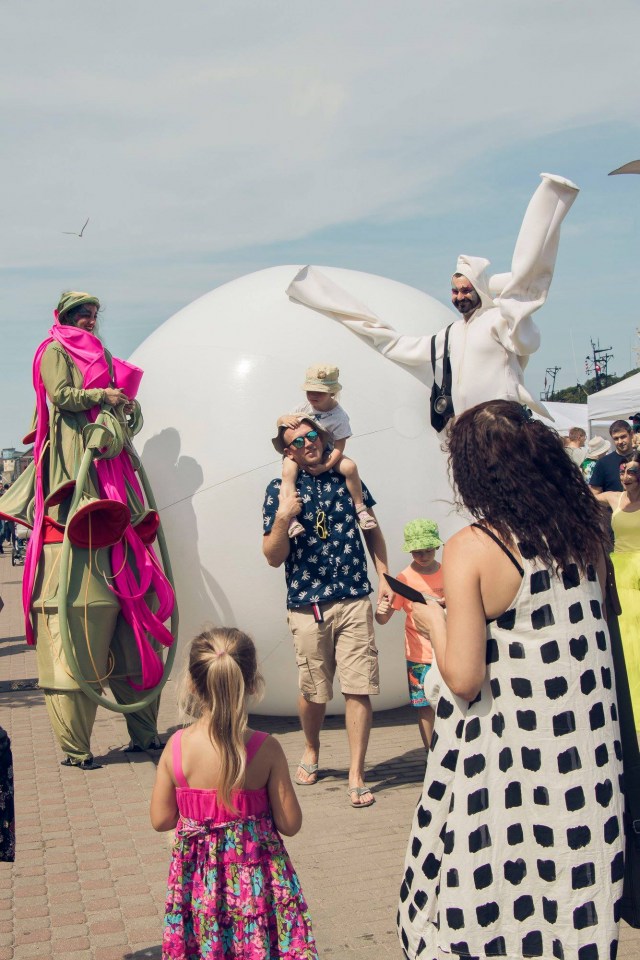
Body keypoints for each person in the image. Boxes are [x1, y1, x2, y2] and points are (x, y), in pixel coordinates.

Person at [397, 400, 623, 960]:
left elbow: (465, 677)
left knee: (499, 907)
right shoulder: (588, 526)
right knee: (578, 904)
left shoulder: (474, 547)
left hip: (513, 764)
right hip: (589, 760)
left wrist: (432, 618)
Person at [0, 291, 175, 769]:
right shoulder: (54, 350)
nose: (90, 321)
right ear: (65, 318)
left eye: (94, 316)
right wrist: (103, 397)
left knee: (134, 641)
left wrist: (124, 410)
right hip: (74, 460)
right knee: (71, 649)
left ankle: (144, 735)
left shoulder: (101, 355)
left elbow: (116, 399)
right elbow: (62, 397)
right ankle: (76, 748)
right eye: (83, 315)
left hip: (109, 471)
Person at [286, 173, 579, 421]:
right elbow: (397, 344)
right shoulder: (450, 335)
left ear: (479, 291)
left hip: (502, 422)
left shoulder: (497, 320)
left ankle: (553, 196)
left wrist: (515, 311)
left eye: (466, 290)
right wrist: (336, 307)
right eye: (455, 291)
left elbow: (528, 341)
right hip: (469, 425)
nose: (460, 296)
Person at [150, 627, 318, 960]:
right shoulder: (265, 749)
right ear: (252, 684)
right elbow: (291, 823)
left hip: (200, 888)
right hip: (257, 888)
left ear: (193, 685)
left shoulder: (177, 747)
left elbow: (160, 819)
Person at [263, 415, 389, 808]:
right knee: (314, 691)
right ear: (288, 453)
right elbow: (272, 556)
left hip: (353, 595)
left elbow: (371, 528)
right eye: (297, 442)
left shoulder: (345, 477)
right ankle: (312, 747)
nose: (308, 444)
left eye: (311, 435)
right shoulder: (278, 489)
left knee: (359, 686)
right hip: (308, 602)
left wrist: (385, 578)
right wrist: (285, 515)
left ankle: (356, 773)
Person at [277, 363, 376, 537]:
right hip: (300, 451)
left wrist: (326, 465)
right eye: (310, 391)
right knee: (287, 472)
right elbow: (284, 427)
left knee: (350, 468)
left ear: (332, 392)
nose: (313, 396)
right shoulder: (303, 408)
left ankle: (360, 508)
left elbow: (339, 446)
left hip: (326, 452)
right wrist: (282, 419)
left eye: (319, 392)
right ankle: (291, 519)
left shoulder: (339, 416)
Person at [375, 518, 444, 749]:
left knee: (452, 703)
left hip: (448, 649)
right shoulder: (403, 579)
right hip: (419, 655)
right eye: (416, 552)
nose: (422, 556)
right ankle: (430, 753)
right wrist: (380, 610)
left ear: (436, 547)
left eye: (427, 551)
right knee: (424, 707)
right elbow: (383, 619)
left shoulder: (450, 573)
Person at [594, 456, 640, 727]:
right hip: (620, 571)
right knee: (625, 636)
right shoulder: (614, 498)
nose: (626, 475)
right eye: (623, 470)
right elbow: (583, 494)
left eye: (633, 470)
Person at [589, 419, 634, 493]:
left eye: (623, 437)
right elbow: (595, 495)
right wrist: (612, 499)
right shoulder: (603, 463)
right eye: (616, 438)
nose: (620, 442)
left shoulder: (638, 458)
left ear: (631, 434)